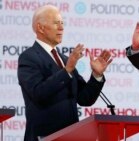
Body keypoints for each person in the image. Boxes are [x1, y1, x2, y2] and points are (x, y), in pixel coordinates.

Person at [17, 5, 112, 141]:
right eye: (56, 23)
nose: (61, 28)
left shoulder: (64, 59)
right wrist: (66, 71)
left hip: (71, 137)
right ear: (40, 28)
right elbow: (38, 93)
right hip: (44, 137)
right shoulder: (29, 57)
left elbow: (85, 99)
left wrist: (96, 76)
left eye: (62, 23)